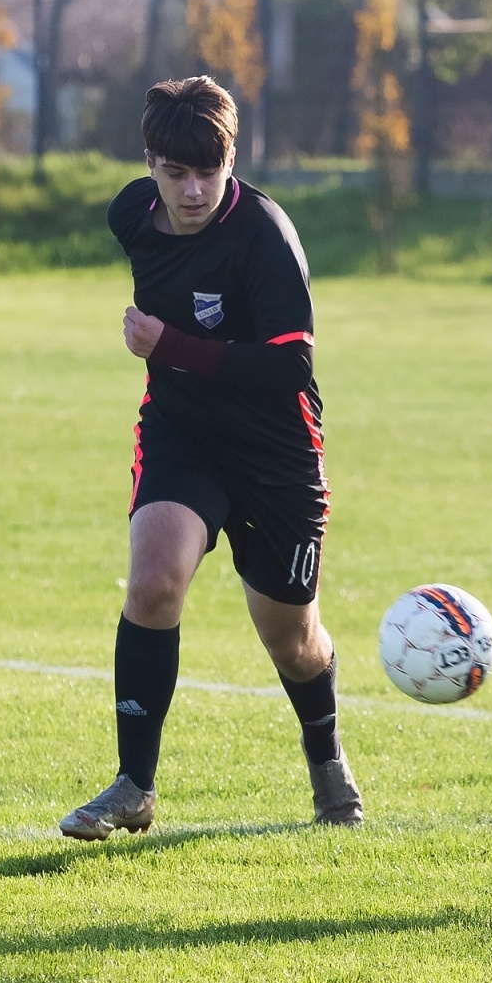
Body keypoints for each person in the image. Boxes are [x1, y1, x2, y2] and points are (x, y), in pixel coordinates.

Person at [60, 76, 362, 839]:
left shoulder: (265, 234)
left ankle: (328, 765)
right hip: (182, 436)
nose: (193, 190)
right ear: (150, 164)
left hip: (275, 453)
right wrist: (174, 364)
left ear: (233, 157)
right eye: (175, 172)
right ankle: (134, 785)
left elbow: (291, 366)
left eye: (209, 171)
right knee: (154, 581)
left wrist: (172, 346)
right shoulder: (131, 215)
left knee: (291, 641)